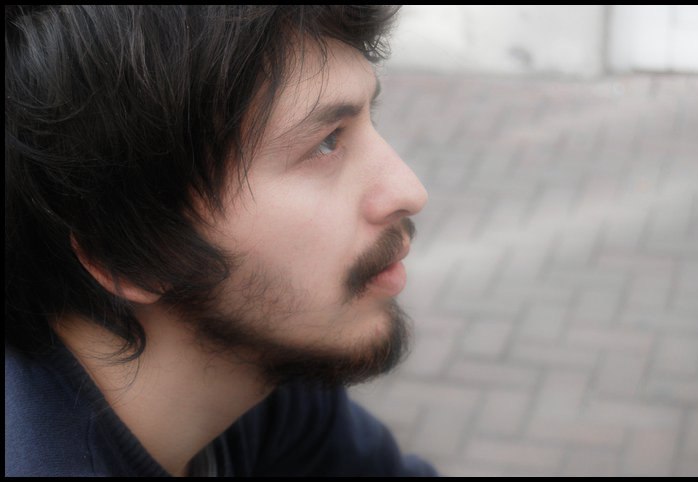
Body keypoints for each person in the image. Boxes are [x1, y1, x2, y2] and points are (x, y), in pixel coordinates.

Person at [5, 5, 436, 477]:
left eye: (369, 117)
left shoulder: (263, 360)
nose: (410, 191)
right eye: (327, 142)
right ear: (132, 255)